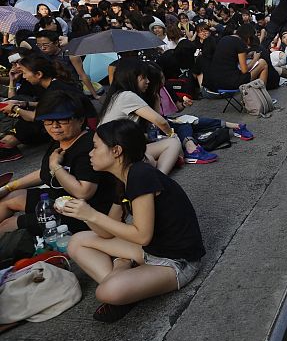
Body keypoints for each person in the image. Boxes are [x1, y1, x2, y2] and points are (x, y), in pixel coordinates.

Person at [63, 119, 205, 323]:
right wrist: (84, 215)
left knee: (106, 292)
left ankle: (123, 275)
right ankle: (129, 283)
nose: (90, 154)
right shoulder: (122, 178)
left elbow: (142, 235)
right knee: (76, 241)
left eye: (95, 147)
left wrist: (92, 215)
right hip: (148, 250)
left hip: (176, 262)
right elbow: (106, 233)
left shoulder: (141, 174)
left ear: (116, 151)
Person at [0, 90, 114, 235]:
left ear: (80, 119)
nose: (55, 126)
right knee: (7, 199)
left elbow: (83, 192)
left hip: (82, 213)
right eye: (48, 120)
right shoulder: (61, 140)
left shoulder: (89, 147)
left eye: (62, 120)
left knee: (8, 224)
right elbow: (44, 173)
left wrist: (56, 166)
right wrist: (9, 187)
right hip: (58, 199)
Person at [98, 60, 182, 174]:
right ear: (132, 78)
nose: (148, 81)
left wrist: (156, 98)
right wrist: (171, 134)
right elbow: (160, 121)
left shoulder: (117, 95)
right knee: (173, 143)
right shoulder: (127, 96)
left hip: (112, 150)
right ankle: (161, 176)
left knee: (152, 159)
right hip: (115, 153)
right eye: (144, 78)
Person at [203, 25, 273, 92]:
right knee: (263, 63)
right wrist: (255, 59)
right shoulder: (240, 43)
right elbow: (244, 71)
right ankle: (263, 96)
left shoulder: (224, 39)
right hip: (229, 83)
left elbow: (230, 57)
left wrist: (247, 55)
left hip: (214, 82)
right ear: (248, 37)